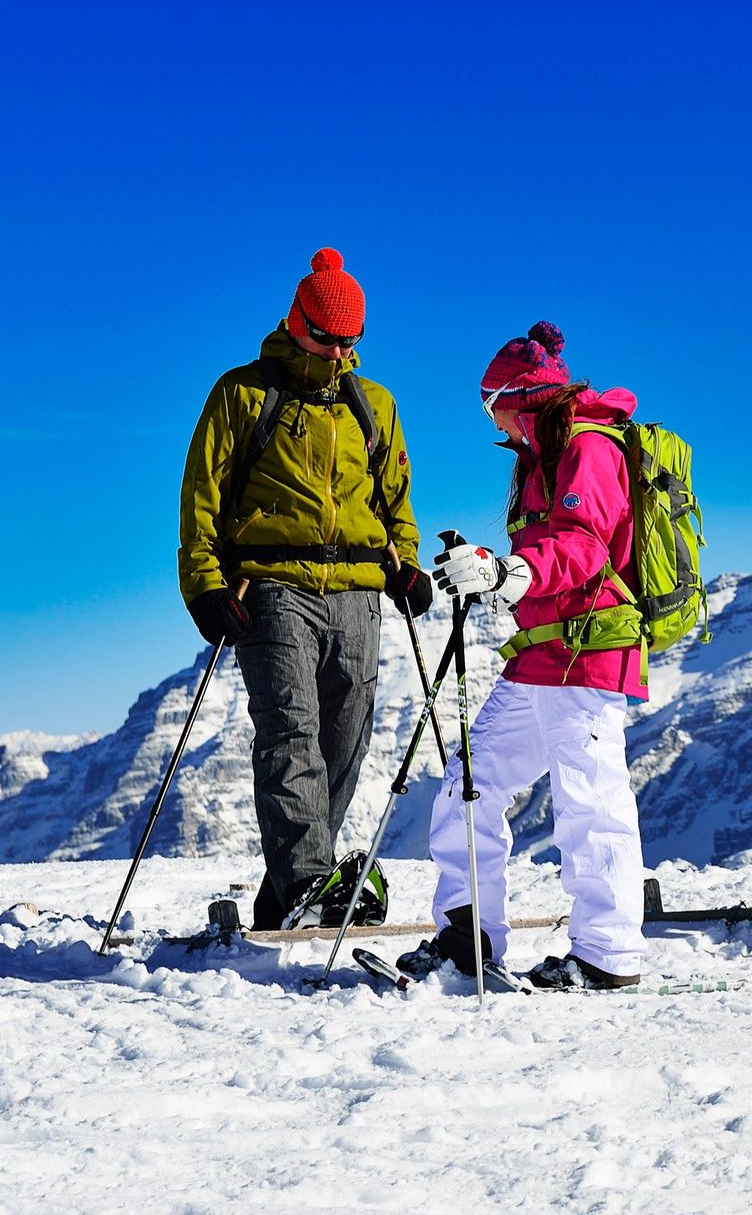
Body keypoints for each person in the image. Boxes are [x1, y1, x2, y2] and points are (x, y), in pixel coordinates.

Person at [177, 248, 429, 930]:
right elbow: (201, 499)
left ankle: (286, 891)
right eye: (326, 337)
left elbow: (395, 501)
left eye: (351, 339)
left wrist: (405, 563)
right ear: (296, 322)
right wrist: (205, 586)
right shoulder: (241, 394)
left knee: (346, 740)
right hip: (272, 586)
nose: (340, 351)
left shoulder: (374, 405)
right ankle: (309, 881)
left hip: (358, 593)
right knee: (290, 730)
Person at [397, 322, 652, 992]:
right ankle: (468, 938)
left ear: (516, 398)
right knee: (470, 780)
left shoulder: (588, 446)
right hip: (541, 654)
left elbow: (584, 545)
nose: (491, 421)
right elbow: (546, 549)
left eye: (490, 404)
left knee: (589, 798)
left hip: (589, 652)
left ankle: (607, 955)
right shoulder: (540, 455)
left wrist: (509, 571)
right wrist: (489, 567)